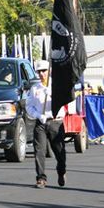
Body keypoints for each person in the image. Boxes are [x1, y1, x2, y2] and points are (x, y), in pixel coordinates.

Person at [26, 60, 67, 189]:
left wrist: (54, 96)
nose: (42, 74)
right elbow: (29, 106)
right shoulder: (35, 88)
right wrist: (38, 115)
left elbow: (66, 101)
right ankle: (41, 178)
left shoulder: (57, 86)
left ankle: (61, 171)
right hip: (41, 123)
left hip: (55, 121)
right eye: (39, 72)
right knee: (39, 151)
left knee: (59, 152)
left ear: (49, 71)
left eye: (44, 71)